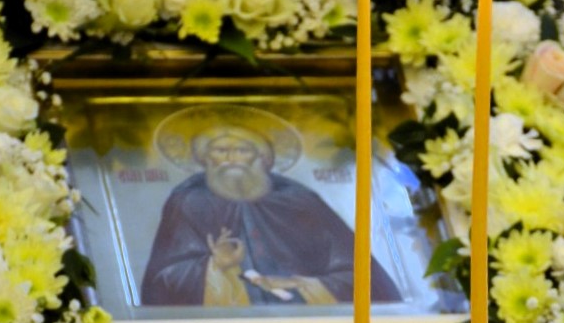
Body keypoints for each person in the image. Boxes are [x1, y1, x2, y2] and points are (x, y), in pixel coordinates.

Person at [140, 126, 401, 307]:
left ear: (262, 158)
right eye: (220, 151)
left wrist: (300, 284)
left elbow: (359, 274)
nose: (231, 158)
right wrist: (215, 266)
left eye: (243, 150)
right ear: (204, 159)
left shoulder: (301, 201)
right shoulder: (189, 202)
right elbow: (162, 282)